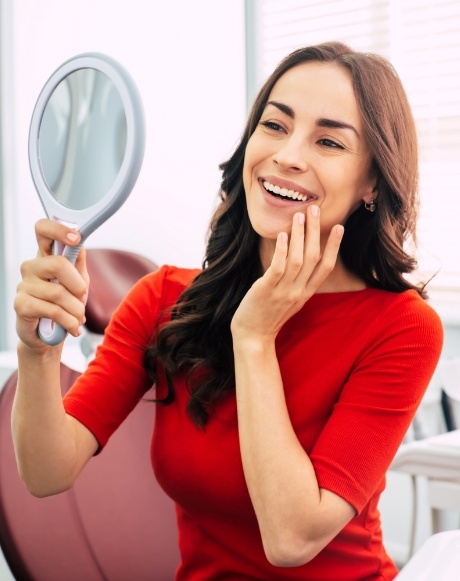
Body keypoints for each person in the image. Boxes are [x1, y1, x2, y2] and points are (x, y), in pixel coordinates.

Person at [13, 41, 443, 580]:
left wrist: (256, 338)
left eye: (329, 140)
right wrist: (35, 354)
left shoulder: (402, 328)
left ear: (373, 183)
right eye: (275, 125)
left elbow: (291, 537)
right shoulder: (162, 299)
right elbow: (46, 473)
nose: (288, 154)